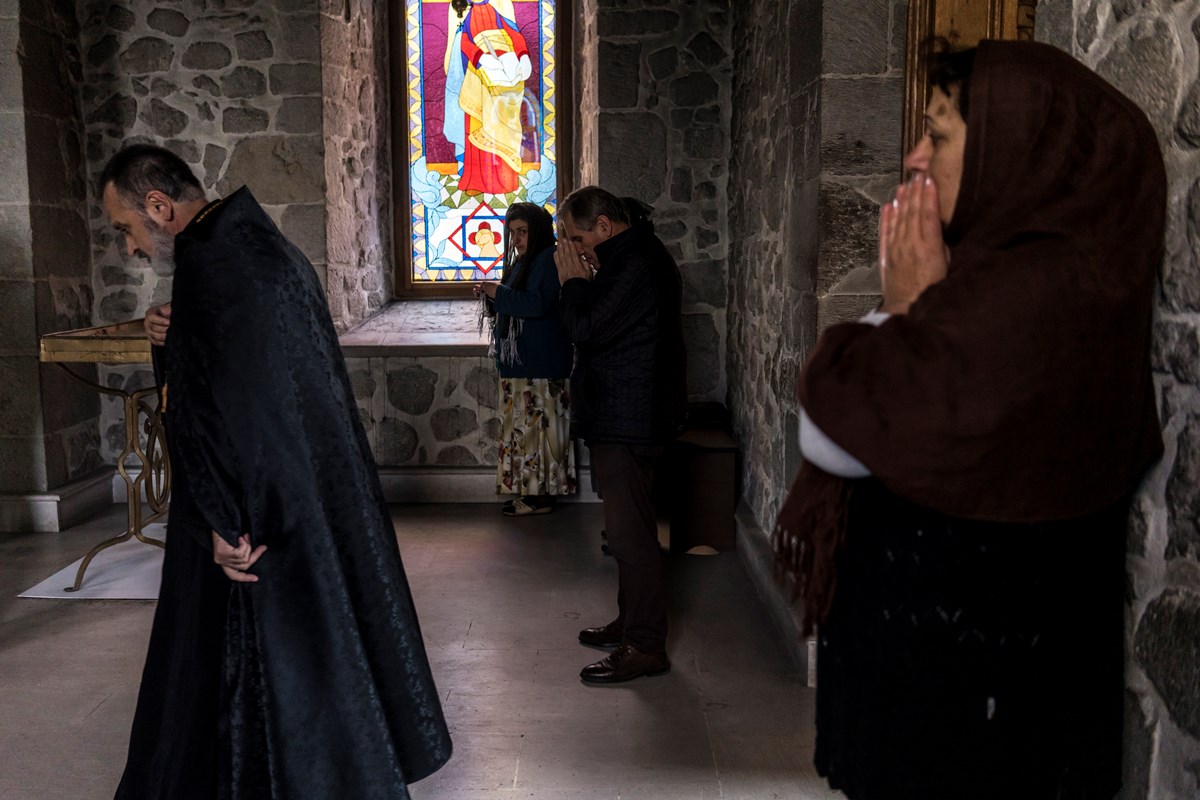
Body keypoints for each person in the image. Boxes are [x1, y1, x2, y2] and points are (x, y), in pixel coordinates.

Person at [773, 41, 1165, 800]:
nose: (915, 158)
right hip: (978, 690)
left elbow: (839, 432)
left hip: (970, 707)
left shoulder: (1023, 304)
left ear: (1018, 150)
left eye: (940, 134)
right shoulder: (1036, 281)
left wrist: (908, 308)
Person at [103, 144, 452, 799]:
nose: (131, 247)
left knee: (240, 684)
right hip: (299, 503)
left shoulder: (210, 267)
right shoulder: (266, 252)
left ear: (159, 206)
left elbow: (222, 408)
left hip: (251, 521)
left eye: (126, 228)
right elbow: (235, 376)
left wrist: (220, 521)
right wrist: (168, 340)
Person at [555, 186, 687, 684]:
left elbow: (585, 327)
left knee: (630, 537)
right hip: (626, 414)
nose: (577, 249)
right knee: (627, 530)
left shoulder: (632, 264)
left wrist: (572, 283)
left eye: (579, 239)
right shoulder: (631, 257)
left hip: (628, 420)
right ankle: (630, 622)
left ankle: (646, 646)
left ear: (605, 226)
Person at [474, 202, 576, 516]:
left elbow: (536, 304)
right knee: (525, 432)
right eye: (513, 232)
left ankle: (541, 499)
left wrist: (497, 291)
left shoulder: (547, 258)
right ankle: (530, 494)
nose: (517, 239)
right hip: (524, 363)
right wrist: (492, 296)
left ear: (539, 231)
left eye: (523, 232)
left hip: (541, 362)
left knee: (540, 432)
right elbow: (515, 301)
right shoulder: (524, 261)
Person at [452, 0, 532, 194]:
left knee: (506, 126)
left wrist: (523, 56)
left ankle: (506, 181)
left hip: (507, 74)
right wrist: (480, 57)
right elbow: (464, 42)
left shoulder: (497, 11)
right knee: (480, 123)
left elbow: (514, 34)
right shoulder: (468, 15)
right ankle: (476, 181)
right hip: (480, 78)